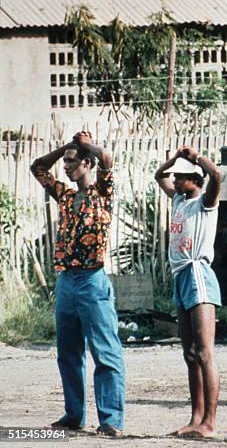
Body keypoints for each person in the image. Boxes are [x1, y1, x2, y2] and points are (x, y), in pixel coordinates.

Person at [31, 132, 125, 436]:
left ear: (87, 163)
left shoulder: (103, 193)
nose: (67, 168)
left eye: (73, 162)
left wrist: (85, 145)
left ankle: (110, 419)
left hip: (92, 280)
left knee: (105, 352)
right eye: (66, 163)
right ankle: (74, 415)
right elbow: (38, 168)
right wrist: (64, 149)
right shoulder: (67, 196)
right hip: (67, 281)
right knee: (68, 352)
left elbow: (107, 159)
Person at [154, 146, 222, 438]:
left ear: (196, 179)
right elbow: (159, 175)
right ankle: (195, 417)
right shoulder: (179, 201)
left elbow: (216, 174)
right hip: (181, 276)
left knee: (206, 353)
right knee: (190, 353)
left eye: (182, 177)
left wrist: (196, 159)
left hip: (198, 274)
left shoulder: (205, 202)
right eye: (177, 177)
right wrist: (175, 159)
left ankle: (209, 421)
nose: (176, 181)